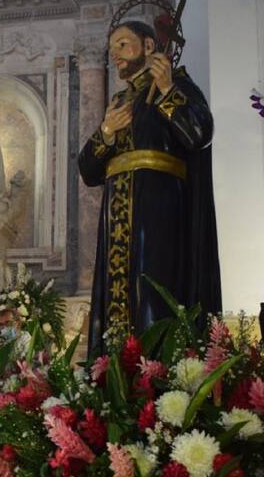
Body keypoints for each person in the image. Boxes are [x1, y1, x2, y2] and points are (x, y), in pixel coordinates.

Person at [78, 20, 221, 356]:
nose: (115, 54)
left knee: (153, 290)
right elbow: (88, 171)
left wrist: (168, 90)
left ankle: (156, 368)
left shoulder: (177, 84)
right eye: (111, 48)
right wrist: (106, 132)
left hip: (159, 211)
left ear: (148, 45)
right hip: (117, 215)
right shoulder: (118, 103)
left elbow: (199, 134)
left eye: (122, 44)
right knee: (119, 297)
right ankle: (116, 369)